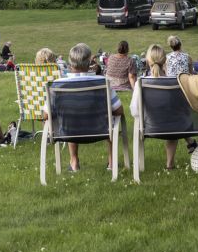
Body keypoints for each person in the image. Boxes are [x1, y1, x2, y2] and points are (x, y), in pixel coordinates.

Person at [52, 43, 122, 172]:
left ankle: (74, 162)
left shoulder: (58, 85)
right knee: (111, 119)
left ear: (70, 62)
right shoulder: (103, 82)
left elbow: (46, 114)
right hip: (100, 130)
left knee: (70, 115)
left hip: (69, 132)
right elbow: (118, 110)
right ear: (89, 62)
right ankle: (112, 162)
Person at [135, 44, 180, 170]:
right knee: (173, 123)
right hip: (173, 127)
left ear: (147, 60)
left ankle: (139, 165)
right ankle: (169, 164)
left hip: (149, 126)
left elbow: (134, 109)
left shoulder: (141, 82)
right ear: (164, 60)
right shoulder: (175, 81)